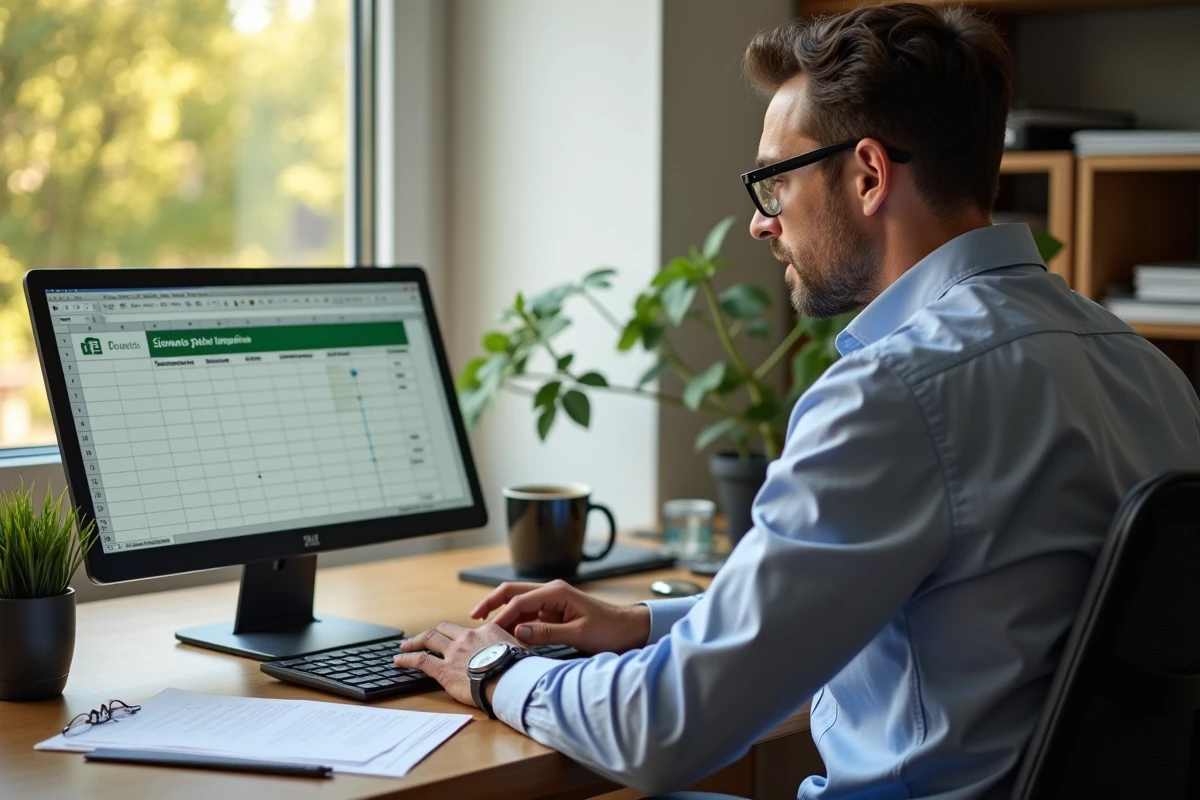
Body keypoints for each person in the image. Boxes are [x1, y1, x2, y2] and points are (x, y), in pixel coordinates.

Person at [394, 4, 1200, 798]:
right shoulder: (1147, 372)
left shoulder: (897, 393)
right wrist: (646, 625)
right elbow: (952, 623)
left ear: (870, 175)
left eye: (774, 182)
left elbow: (664, 729)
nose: (758, 224)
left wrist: (496, 666)